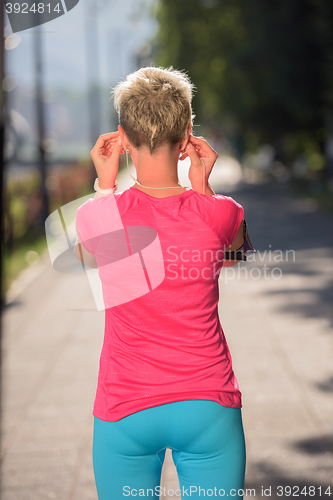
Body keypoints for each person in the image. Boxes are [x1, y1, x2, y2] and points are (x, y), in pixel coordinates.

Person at [74, 66, 254, 500]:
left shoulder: (96, 217)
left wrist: (104, 186)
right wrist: (202, 188)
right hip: (208, 405)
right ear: (188, 135)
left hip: (126, 407)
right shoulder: (222, 212)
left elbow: (88, 256)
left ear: (121, 138)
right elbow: (233, 255)